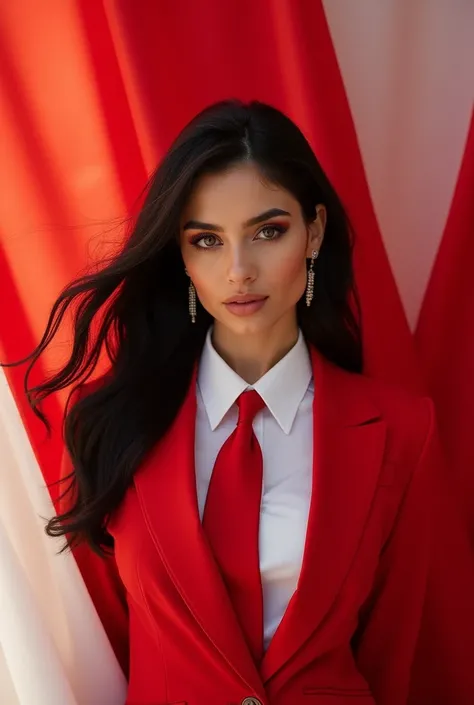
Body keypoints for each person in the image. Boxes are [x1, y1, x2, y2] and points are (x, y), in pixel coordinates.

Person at [8, 100, 474, 705]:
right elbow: (98, 644)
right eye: (206, 240)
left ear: (316, 231)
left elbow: (393, 653)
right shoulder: (110, 421)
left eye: (267, 231)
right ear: (180, 255)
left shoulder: (403, 430)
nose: (237, 270)